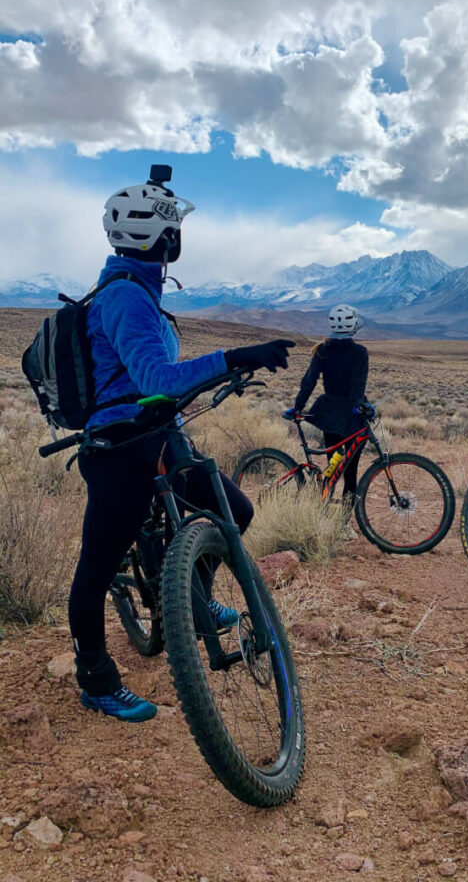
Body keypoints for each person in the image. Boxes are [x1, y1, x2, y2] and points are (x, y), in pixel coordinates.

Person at [71, 171, 294, 723]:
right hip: (120, 445)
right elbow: (154, 378)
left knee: (232, 510)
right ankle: (96, 680)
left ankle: (190, 598)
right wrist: (234, 357)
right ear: (160, 238)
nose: (178, 238)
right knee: (97, 567)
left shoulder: (140, 287)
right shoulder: (125, 296)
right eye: (174, 228)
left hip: (160, 436)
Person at [283, 304, 370, 503]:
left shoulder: (322, 350)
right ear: (353, 326)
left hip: (330, 414)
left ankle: (323, 509)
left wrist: (297, 407)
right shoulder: (360, 352)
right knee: (350, 471)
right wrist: (359, 405)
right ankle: (343, 522)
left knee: (333, 466)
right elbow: (358, 384)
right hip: (352, 416)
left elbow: (309, 382)